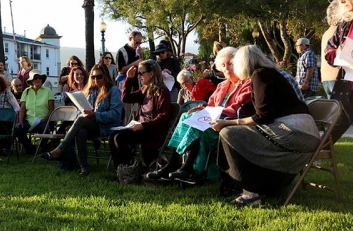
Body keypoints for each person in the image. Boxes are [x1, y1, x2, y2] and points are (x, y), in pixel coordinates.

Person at [213, 45, 320, 207]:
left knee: (229, 133)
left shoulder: (260, 75)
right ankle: (261, 185)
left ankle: (250, 193)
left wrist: (226, 123)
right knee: (238, 133)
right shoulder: (269, 73)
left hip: (296, 133)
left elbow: (262, 117)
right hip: (304, 131)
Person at [147, 47, 252, 181]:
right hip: (212, 118)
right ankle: (174, 163)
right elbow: (211, 104)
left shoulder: (246, 84)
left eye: (230, 63)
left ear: (238, 63)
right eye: (223, 65)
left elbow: (237, 109)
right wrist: (202, 108)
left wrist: (213, 112)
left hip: (227, 122)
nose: (226, 68)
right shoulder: (222, 85)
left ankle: (186, 167)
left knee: (200, 122)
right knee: (186, 116)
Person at [41, 64, 122, 176]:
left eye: (99, 76)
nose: (96, 79)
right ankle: (84, 167)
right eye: (93, 77)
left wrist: (95, 114)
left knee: (81, 122)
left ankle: (60, 149)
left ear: (105, 76)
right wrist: (84, 112)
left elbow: (116, 115)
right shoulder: (91, 91)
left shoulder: (113, 91)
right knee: (81, 131)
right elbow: (80, 111)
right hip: (91, 126)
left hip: (106, 127)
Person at [110, 60, 172, 170]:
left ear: (151, 73)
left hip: (151, 131)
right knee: (113, 136)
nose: (139, 76)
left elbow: (162, 118)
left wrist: (143, 126)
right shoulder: (144, 90)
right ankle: (121, 169)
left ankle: (128, 169)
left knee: (120, 138)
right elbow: (125, 98)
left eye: (141, 73)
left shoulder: (163, 92)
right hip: (140, 128)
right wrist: (129, 78)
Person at [325, 0, 353, 166]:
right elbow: (328, 51)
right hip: (348, 88)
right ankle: (316, 152)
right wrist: (338, 53)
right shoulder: (345, 24)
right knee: (340, 123)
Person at [18, 70, 55, 153]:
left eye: (40, 78)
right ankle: (30, 148)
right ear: (31, 81)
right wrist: (20, 121)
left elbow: (52, 109)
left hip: (44, 120)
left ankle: (43, 147)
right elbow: (22, 108)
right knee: (18, 129)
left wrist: (45, 119)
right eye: (35, 78)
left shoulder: (47, 91)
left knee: (44, 128)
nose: (38, 80)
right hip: (30, 120)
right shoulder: (26, 91)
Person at [116, 31, 144, 124]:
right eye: (137, 42)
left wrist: (142, 56)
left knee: (138, 109)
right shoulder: (122, 51)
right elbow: (120, 69)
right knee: (126, 110)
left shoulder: (138, 51)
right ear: (130, 39)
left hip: (138, 84)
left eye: (140, 43)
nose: (138, 45)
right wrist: (134, 64)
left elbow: (143, 66)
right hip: (126, 84)